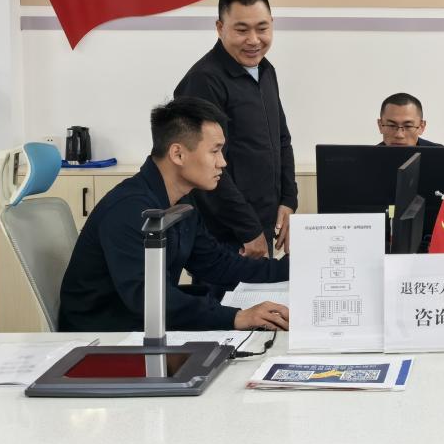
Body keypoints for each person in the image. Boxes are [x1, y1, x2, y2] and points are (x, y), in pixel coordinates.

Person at [59, 97, 290, 333]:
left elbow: (216, 263)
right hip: (102, 335)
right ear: (178, 154)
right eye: (215, 151)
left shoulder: (181, 201)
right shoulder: (129, 209)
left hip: (145, 323)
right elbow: (146, 299)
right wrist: (236, 317)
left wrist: (290, 268)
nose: (222, 162)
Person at [175, 0, 297, 258]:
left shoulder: (265, 70)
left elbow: (282, 140)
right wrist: (248, 230)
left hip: (263, 223)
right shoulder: (204, 80)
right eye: (242, 30)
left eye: (262, 28)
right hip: (225, 233)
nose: (254, 40)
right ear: (220, 28)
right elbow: (203, 165)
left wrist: (289, 201)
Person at [376, 93, 441, 147]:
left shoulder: (440, 155)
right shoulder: (370, 157)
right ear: (380, 125)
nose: (399, 135)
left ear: (421, 127)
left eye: (408, 126)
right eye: (392, 125)